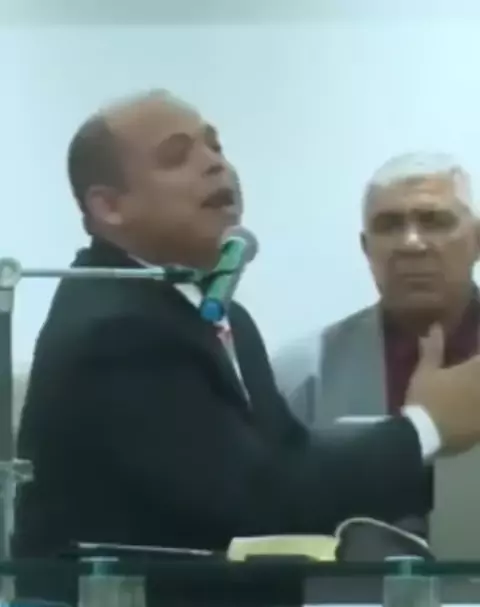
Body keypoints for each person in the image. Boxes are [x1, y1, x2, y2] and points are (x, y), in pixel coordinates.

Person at [12, 95, 480, 572]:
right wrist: (427, 426)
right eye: (178, 156)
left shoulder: (224, 317)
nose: (215, 163)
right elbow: (258, 505)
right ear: (110, 206)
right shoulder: (115, 329)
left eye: (215, 146)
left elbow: (287, 463)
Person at [273, 152, 480, 536]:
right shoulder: (302, 372)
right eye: (389, 225)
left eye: (434, 221)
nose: (411, 243)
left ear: (477, 240)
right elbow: (272, 512)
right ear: (367, 249)